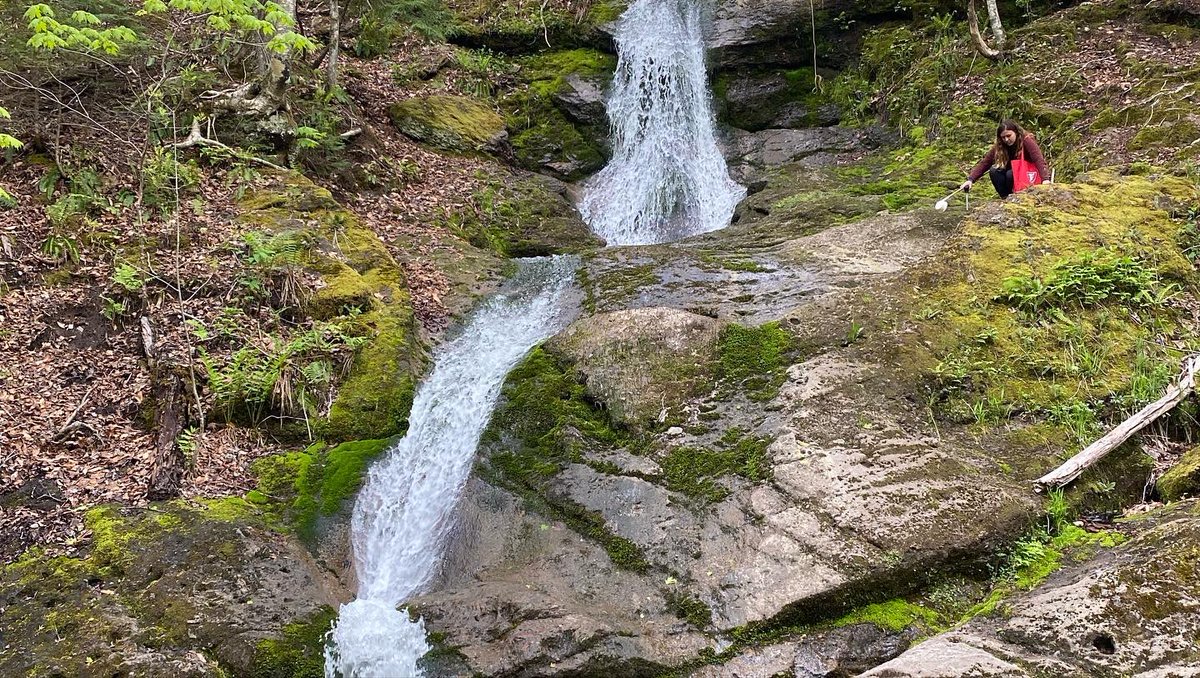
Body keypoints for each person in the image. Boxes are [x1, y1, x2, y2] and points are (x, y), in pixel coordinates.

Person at [961, 120, 1050, 198]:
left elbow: (1038, 159)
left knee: (1010, 174)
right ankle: (1006, 197)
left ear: (1016, 132)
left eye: (1008, 136)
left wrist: (1045, 179)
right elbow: (986, 163)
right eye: (1003, 137)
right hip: (1011, 176)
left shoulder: (1026, 140)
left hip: (1027, 174)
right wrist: (971, 180)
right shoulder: (1000, 145)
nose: (1006, 140)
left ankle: (1017, 196)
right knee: (994, 171)